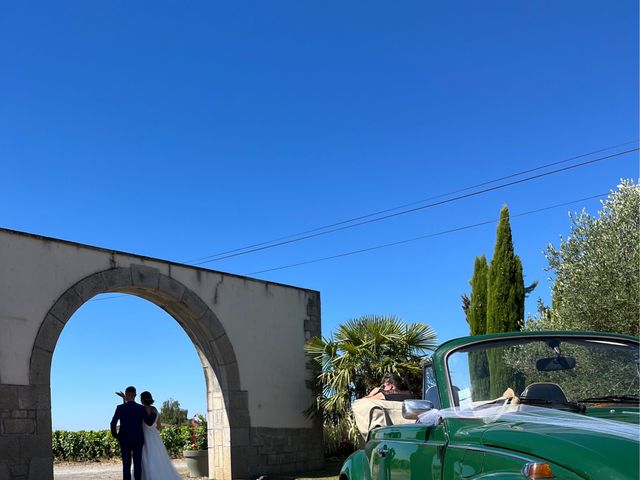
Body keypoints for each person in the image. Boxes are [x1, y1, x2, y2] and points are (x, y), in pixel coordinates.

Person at [110, 386, 157, 480]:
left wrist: (116, 435)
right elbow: (149, 422)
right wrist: (154, 413)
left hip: (124, 440)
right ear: (135, 395)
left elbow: (113, 423)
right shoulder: (140, 408)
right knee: (137, 465)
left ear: (126, 395)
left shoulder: (120, 408)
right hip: (138, 439)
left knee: (126, 466)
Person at [138, 391, 183, 480]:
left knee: (145, 457)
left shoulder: (140, 410)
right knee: (158, 458)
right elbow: (158, 426)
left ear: (142, 400)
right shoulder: (155, 410)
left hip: (144, 436)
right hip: (155, 436)